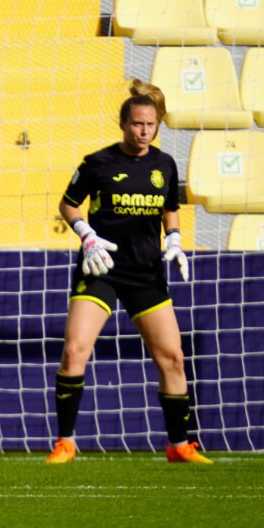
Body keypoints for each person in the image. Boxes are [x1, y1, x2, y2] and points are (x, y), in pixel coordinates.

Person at [47, 79, 211, 465]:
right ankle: (66, 442)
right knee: (74, 350)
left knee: (172, 357)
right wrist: (86, 234)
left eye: (150, 124)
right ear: (123, 124)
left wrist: (174, 238)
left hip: (146, 273)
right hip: (100, 268)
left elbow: (170, 208)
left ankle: (179, 445)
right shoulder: (97, 163)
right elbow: (68, 204)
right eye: (137, 124)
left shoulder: (164, 164)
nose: (144, 131)